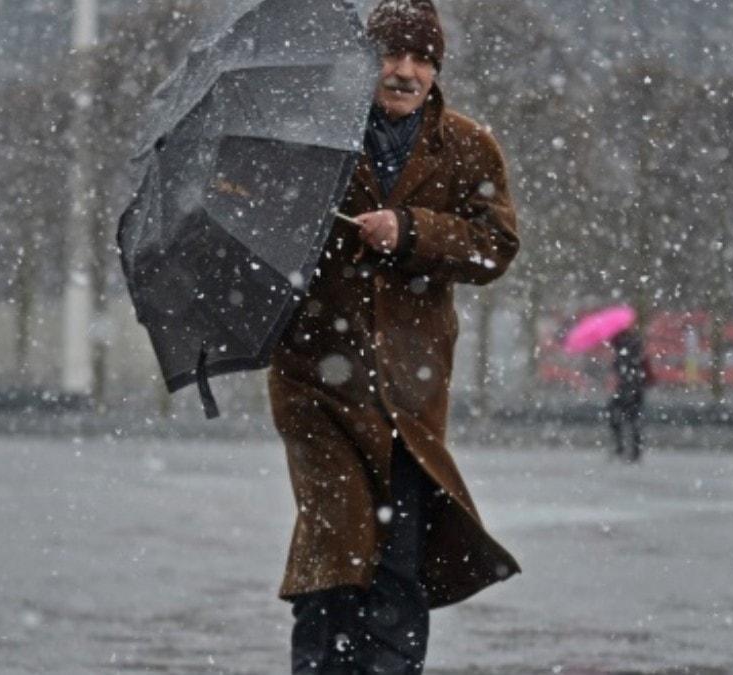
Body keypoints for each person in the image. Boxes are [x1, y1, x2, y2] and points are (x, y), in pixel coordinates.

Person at [266, 1, 522, 672]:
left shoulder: (468, 147)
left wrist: (410, 231)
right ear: (366, 60)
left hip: (409, 394)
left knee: (396, 558)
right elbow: (267, 234)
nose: (406, 72)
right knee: (335, 551)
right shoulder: (312, 137)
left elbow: (496, 246)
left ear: (437, 69)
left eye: (422, 60)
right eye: (392, 56)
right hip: (316, 382)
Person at [607, 329, 650, 462]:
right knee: (633, 420)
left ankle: (621, 447)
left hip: (627, 390)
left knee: (618, 417)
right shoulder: (637, 352)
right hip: (636, 390)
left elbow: (620, 371)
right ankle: (635, 450)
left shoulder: (623, 354)